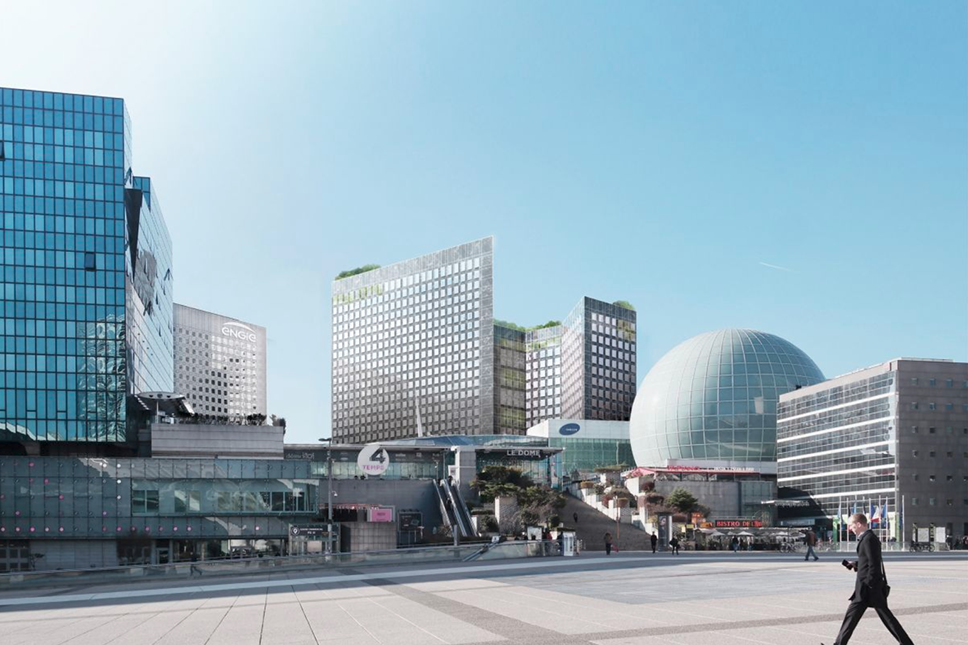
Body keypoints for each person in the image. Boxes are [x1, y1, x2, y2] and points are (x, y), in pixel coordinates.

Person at [824, 513, 913, 645]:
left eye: (851, 525)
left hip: (869, 588)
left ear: (859, 524)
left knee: (885, 618)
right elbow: (868, 560)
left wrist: (870, 584)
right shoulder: (866, 538)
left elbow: (874, 563)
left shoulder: (869, 538)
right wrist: (856, 564)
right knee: (853, 617)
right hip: (866, 587)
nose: (850, 528)